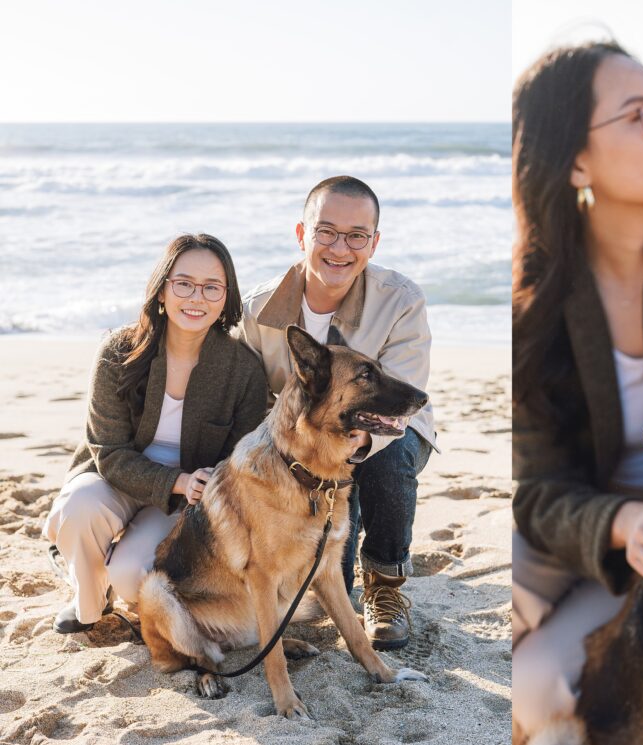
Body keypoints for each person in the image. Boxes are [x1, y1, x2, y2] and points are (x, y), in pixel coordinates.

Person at [511, 41, 643, 742]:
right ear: (576, 160)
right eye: (641, 116)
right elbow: (538, 489)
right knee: (510, 583)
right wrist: (619, 524)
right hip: (599, 530)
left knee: (543, 688)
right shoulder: (535, 307)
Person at [238, 175, 436, 651]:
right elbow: (250, 404)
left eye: (356, 236)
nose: (340, 248)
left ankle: (386, 585)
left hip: (387, 432)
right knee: (329, 587)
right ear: (303, 234)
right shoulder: (257, 309)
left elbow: (402, 402)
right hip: (297, 451)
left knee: (388, 460)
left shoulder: (401, 300)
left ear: (374, 242)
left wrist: (341, 448)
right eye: (326, 232)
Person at [44, 234, 269, 634]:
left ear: (226, 297)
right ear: (162, 289)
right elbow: (108, 450)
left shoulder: (244, 369)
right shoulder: (119, 350)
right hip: (114, 475)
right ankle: (89, 597)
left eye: (211, 287)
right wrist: (175, 480)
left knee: (132, 575)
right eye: (183, 283)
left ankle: (113, 570)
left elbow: (241, 454)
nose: (196, 297)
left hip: (186, 495)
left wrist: (195, 485)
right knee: (79, 508)